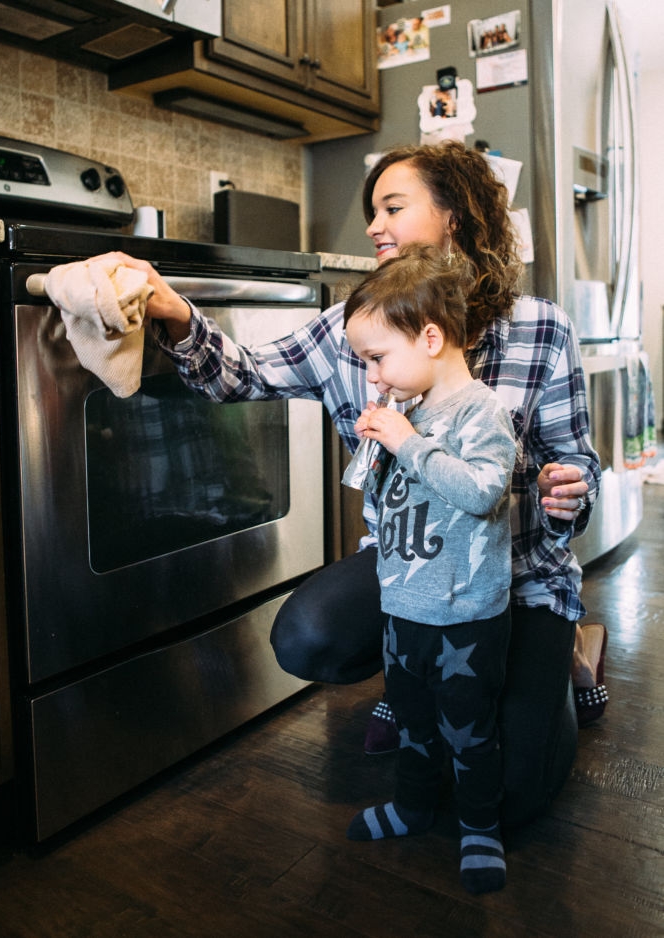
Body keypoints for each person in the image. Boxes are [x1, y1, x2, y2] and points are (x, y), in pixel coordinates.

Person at [98, 139, 601, 828]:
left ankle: (568, 652)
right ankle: (417, 673)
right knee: (308, 637)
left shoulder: (540, 330)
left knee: (515, 797)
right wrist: (175, 312)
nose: (372, 225)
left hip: (517, 581)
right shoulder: (351, 329)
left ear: (453, 216)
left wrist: (565, 488)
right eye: (372, 211)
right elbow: (244, 373)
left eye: (393, 206)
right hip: (414, 575)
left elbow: (579, 468)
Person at [342, 245, 516, 895]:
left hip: (465, 618)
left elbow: (480, 491)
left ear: (433, 337)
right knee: (412, 721)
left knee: (470, 731)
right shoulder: (405, 410)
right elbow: (381, 503)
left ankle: (480, 828)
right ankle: (413, 807)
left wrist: (407, 444)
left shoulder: (480, 411)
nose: (374, 376)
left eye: (378, 358)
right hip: (405, 609)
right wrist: (378, 449)